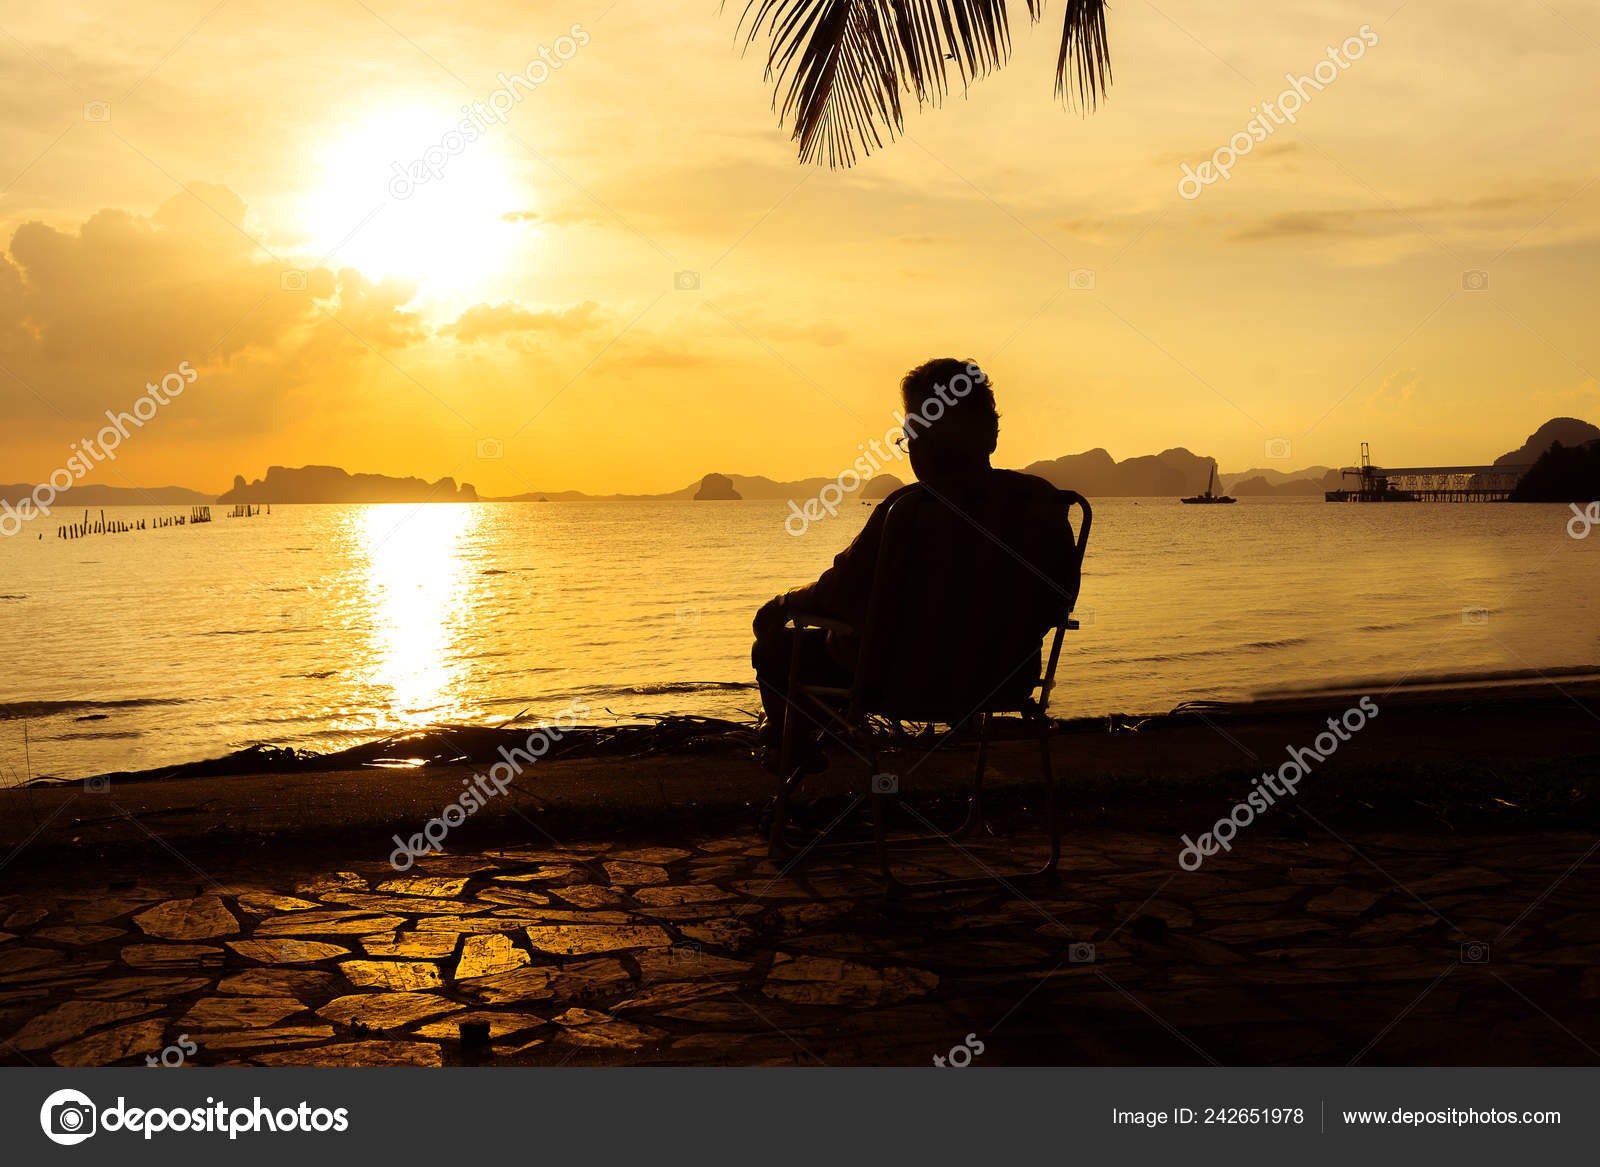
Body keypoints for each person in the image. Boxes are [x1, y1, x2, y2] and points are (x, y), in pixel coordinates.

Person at [751, 357, 1072, 773]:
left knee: (776, 648)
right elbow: (1059, 600)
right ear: (991, 435)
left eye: (912, 434)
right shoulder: (1042, 502)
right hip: (1005, 681)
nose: (911, 448)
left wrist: (780, 605)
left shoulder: (909, 509)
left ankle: (792, 760)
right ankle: (795, 752)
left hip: (897, 683)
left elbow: (840, 597)